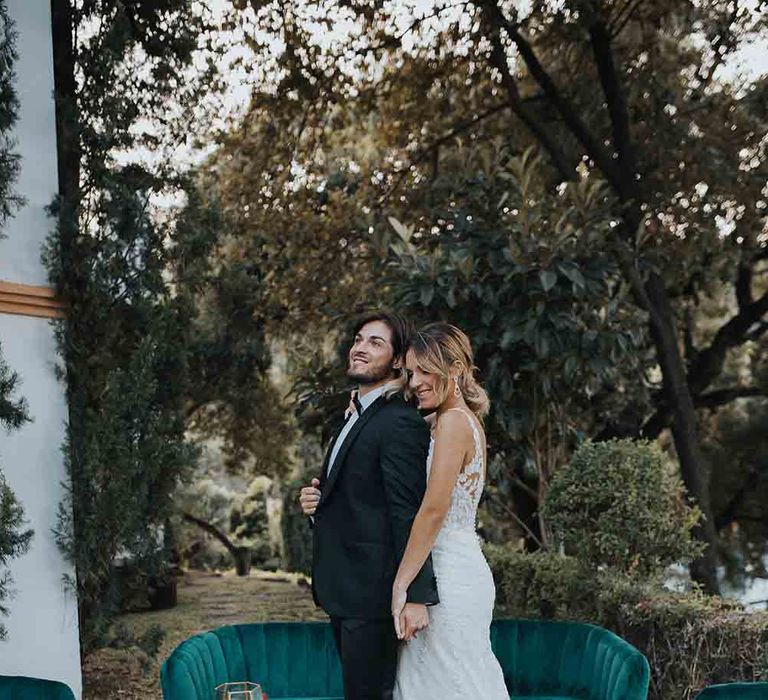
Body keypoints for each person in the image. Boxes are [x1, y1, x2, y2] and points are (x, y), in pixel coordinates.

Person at [299, 311, 439, 700]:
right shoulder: (352, 417)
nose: (360, 348)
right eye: (359, 339)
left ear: (398, 360)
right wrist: (316, 504)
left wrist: (416, 596)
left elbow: (409, 511)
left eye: (375, 342)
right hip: (343, 590)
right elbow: (359, 500)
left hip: (373, 597)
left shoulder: (398, 422)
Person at [392, 322, 509, 699]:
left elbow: (434, 509)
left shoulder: (454, 422)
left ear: (455, 369)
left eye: (425, 370)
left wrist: (402, 582)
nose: (415, 382)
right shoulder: (454, 421)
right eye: (411, 372)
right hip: (458, 565)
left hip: (450, 578)